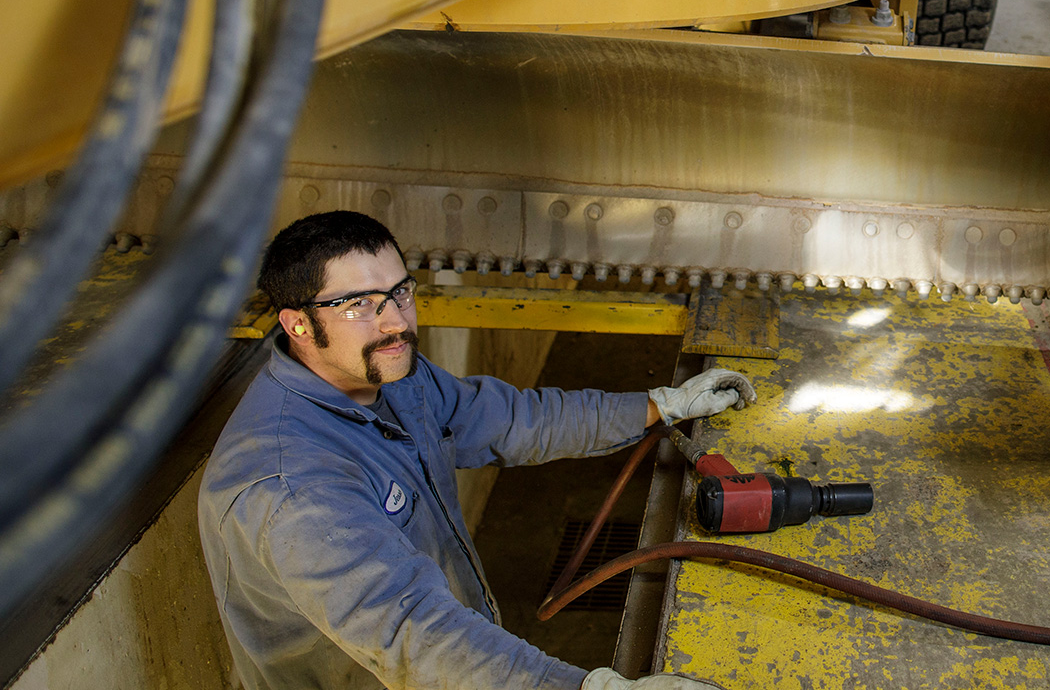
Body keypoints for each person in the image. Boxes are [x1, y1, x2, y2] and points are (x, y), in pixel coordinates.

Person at [199, 211, 751, 689]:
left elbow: (512, 420)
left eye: (399, 292)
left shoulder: (391, 376)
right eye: (358, 305)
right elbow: (413, 634)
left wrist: (660, 405)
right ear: (296, 323)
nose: (396, 321)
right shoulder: (290, 486)